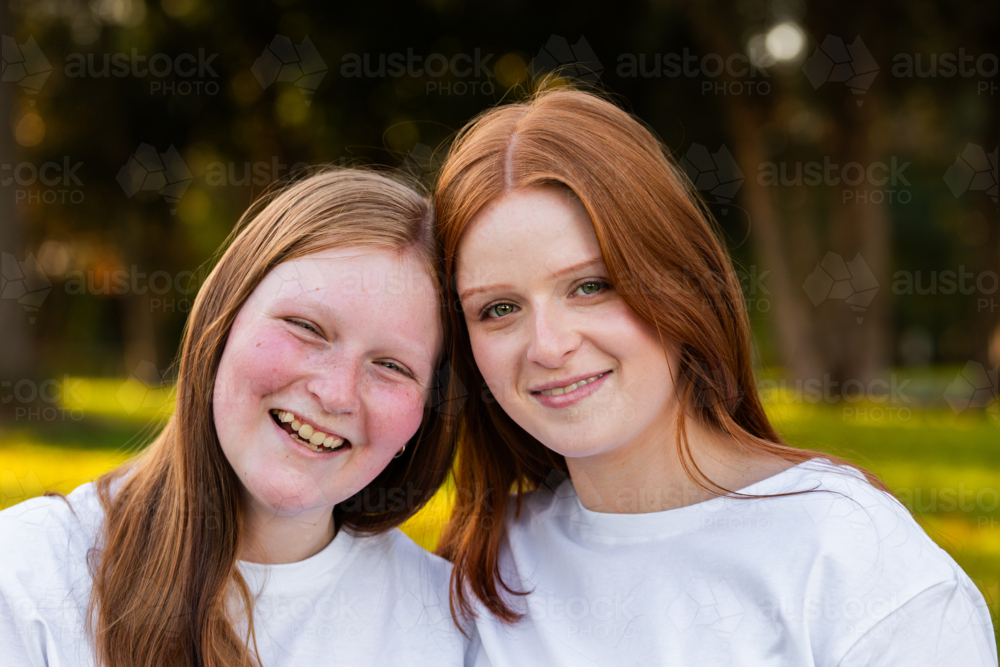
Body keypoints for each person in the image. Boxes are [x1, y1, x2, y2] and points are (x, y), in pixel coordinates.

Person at [434, 87, 998, 665]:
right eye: (498, 309)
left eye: (591, 285)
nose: (548, 347)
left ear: (678, 280)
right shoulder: (482, 566)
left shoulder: (849, 555)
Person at [0, 169, 480, 666]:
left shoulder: (451, 626)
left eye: (391, 366)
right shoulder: (27, 577)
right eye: (306, 327)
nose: (336, 393)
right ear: (224, 315)